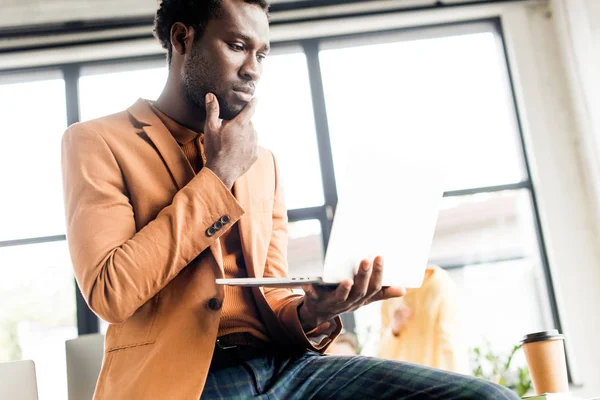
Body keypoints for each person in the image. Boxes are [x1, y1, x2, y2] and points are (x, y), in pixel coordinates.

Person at [61, 0, 520, 398]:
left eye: (262, 53)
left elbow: (273, 292)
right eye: (237, 46)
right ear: (183, 38)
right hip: (188, 381)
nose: (253, 68)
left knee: (489, 396)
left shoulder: (265, 164)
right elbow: (110, 292)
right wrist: (218, 176)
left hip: (288, 371)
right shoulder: (97, 142)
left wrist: (315, 309)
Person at [379, 266, 470, 373]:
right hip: (404, 379)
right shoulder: (389, 296)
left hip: (437, 378)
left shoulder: (439, 285)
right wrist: (394, 328)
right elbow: (383, 354)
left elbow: (451, 341)